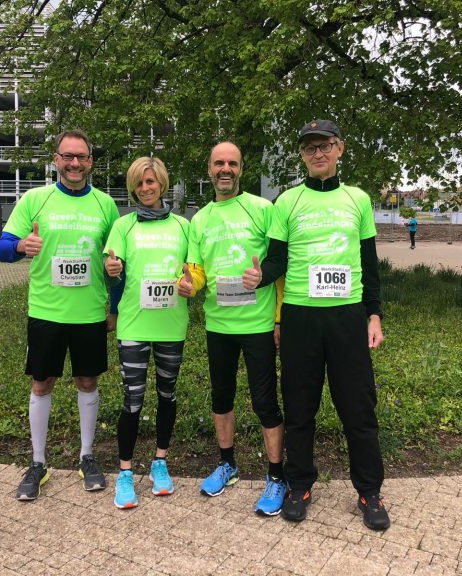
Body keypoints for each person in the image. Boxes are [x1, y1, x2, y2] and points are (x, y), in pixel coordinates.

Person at [243, 120, 390, 530]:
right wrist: (261, 277)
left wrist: (374, 314)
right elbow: (277, 260)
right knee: (300, 406)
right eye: (310, 148)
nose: (318, 153)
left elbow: (369, 265)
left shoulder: (357, 200)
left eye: (325, 145)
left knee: (358, 408)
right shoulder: (286, 202)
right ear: (303, 156)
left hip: (347, 315)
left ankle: (369, 491)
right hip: (300, 317)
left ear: (340, 149)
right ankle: (300, 484)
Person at [0, 129, 119, 501]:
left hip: (88, 314)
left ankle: (87, 456)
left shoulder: (105, 205)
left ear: (91, 162)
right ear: (56, 159)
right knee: (42, 382)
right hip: (47, 311)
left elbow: (115, 262)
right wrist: (20, 245)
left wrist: (113, 307)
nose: (75, 163)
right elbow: (2, 248)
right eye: (68, 156)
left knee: (87, 381)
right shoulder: (35, 199)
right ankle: (37, 462)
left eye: (81, 157)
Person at [178, 141, 286, 516]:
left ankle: (276, 475)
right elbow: (198, 270)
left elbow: (278, 262)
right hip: (218, 324)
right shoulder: (200, 219)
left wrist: (278, 318)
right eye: (219, 163)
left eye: (232, 163)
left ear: (241, 169)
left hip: (257, 324)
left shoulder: (262, 209)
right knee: (221, 398)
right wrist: (190, 282)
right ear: (209, 169)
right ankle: (228, 464)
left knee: (265, 403)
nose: (226, 169)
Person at [103, 157, 189, 509]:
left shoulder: (184, 226)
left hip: (171, 324)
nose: (146, 188)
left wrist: (190, 282)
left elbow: (193, 271)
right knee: (132, 399)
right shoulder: (123, 226)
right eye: (140, 183)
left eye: (151, 182)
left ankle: (160, 462)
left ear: (162, 184)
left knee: (167, 395)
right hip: (134, 324)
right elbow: (112, 265)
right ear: (133, 188)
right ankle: (125, 473)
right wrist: (112, 267)